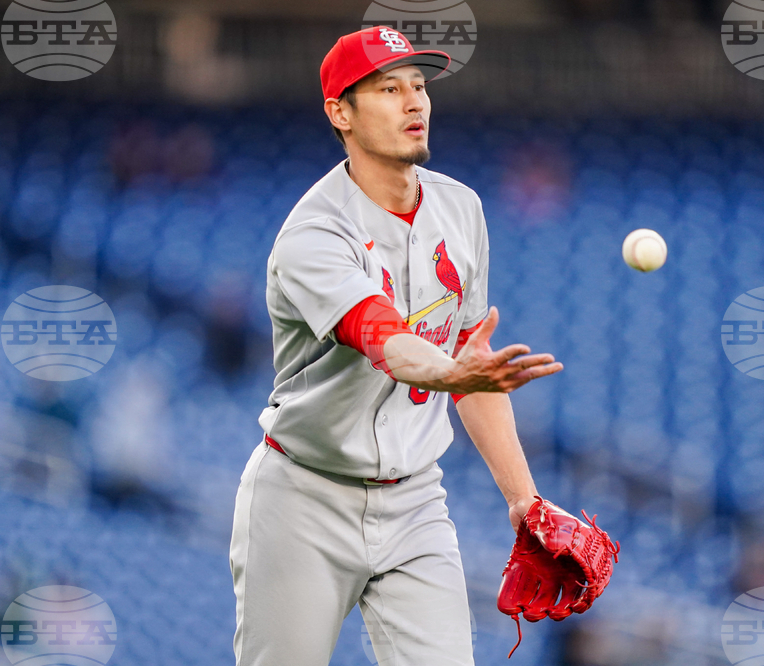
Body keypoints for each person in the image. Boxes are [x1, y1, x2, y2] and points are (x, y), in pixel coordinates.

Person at [229, 26, 563, 665]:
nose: (414, 102)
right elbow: (385, 341)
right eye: (388, 89)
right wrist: (454, 374)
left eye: (419, 86)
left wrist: (525, 501)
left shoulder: (461, 208)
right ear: (341, 113)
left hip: (416, 501)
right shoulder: (314, 234)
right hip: (305, 498)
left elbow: (471, 365)